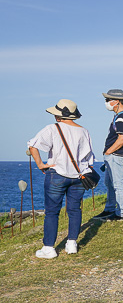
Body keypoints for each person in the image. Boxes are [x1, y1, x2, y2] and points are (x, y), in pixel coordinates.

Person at [27, 99, 96, 259]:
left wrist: (41, 164)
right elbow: (88, 157)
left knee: (52, 212)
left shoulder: (52, 128)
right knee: (74, 210)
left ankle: (49, 248)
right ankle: (72, 244)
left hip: (57, 174)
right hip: (78, 176)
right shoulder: (84, 131)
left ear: (59, 116)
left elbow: (33, 145)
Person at [94, 89, 123, 221]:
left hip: (117, 156)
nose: (106, 103)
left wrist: (108, 151)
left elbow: (122, 138)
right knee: (110, 183)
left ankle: (121, 213)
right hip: (116, 155)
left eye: (108, 100)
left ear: (116, 101)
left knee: (118, 185)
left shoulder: (122, 117)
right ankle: (110, 208)